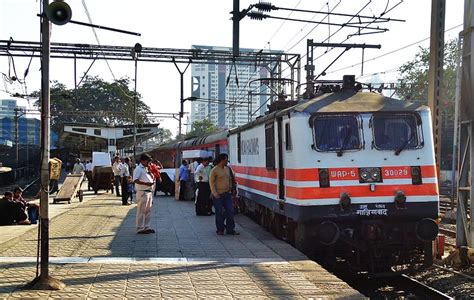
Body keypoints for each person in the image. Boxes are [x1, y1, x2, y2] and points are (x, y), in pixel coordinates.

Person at [209, 153, 239, 235]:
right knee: (219, 212)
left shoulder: (227, 169)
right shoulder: (214, 170)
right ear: (222, 160)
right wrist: (214, 193)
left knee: (230, 211)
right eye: (226, 159)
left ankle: (230, 229)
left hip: (227, 194)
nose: (227, 161)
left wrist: (232, 190)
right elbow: (211, 182)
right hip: (218, 194)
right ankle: (220, 229)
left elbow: (231, 180)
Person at [133, 154, 155, 234]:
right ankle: (140, 228)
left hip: (148, 192)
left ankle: (146, 226)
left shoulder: (146, 169)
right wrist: (146, 183)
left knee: (147, 211)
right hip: (142, 192)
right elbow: (135, 180)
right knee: (141, 211)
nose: (148, 163)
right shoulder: (138, 169)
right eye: (147, 162)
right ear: (142, 161)